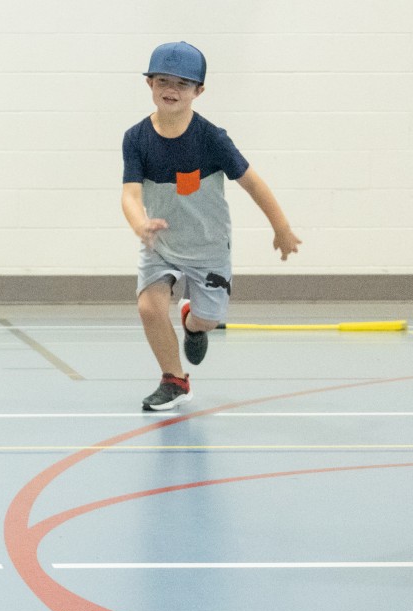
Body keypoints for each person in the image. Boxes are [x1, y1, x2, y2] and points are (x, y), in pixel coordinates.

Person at [120, 40, 302, 411]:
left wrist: (281, 228)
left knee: (208, 319)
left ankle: (192, 322)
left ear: (198, 91)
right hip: (161, 243)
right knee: (149, 307)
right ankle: (174, 380)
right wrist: (140, 224)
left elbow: (252, 183)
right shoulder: (136, 138)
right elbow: (129, 193)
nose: (171, 90)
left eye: (183, 84)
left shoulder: (212, 139)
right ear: (149, 84)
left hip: (208, 246)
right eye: (163, 81)